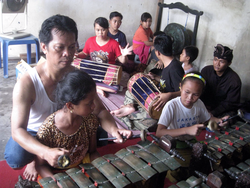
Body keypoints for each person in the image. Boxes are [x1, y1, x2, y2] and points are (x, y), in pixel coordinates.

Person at [4, 14, 132, 181]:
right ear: (44, 47)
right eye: (60, 47)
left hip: (69, 124)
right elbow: (17, 130)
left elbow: (100, 111)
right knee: (16, 156)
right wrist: (43, 151)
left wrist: (114, 129)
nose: (68, 53)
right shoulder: (27, 84)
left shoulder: (76, 76)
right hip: (38, 132)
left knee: (101, 135)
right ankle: (35, 160)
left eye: (72, 47)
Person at [156, 72, 229, 182]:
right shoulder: (171, 106)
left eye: (196, 94)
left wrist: (218, 121)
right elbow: (159, 132)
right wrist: (187, 130)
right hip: (173, 144)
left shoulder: (199, 103)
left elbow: (208, 120)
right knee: (183, 167)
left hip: (191, 142)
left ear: (200, 94)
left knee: (210, 159)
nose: (190, 97)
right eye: (187, 92)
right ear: (180, 86)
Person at [36, 70, 100, 179]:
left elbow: (92, 152)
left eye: (93, 101)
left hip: (83, 165)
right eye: (89, 103)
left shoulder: (90, 120)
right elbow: (41, 165)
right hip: (56, 172)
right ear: (70, 106)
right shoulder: (47, 130)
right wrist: (56, 182)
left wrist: (101, 168)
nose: (94, 106)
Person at [111, 35, 184, 118]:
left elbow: (184, 92)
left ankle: (133, 108)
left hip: (167, 103)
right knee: (132, 90)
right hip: (160, 94)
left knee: (146, 118)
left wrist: (169, 95)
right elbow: (167, 82)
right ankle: (131, 106)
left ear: (158, 53)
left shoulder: (175, 68)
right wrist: (155, 77)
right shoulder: (166, 64)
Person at [200, 44, 241, 117]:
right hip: (203, 106)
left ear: (229, 63)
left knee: (228, 118)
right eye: (215, 60)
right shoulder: (205, 71)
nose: (217, 64)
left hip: (221, 110)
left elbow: (230, 103)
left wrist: (213, 113)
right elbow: (199, 90)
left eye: (221, 61)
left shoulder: (234, 80)